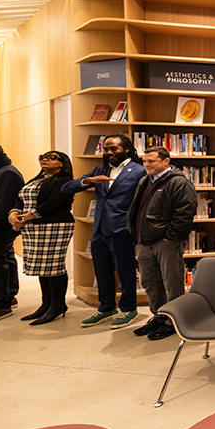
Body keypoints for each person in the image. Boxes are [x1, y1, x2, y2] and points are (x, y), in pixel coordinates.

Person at [62, 135, 146, 329]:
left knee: (124, 271)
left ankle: (129, 308)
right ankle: (106, 307)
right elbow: (66, 188)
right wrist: (88, 180)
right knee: (101, 269)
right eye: (106, 149)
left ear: (126, 149)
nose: (109, 152)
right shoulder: (101, 170)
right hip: (99, 228)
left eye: (114, 148)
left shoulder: (139, 171)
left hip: (122, 229)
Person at [127, 147, 197, 340]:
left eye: (151, 161)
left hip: (166, 243)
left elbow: (185, 212)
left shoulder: (179, 182)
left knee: (172, 282)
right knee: (150, 282)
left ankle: (174, 321)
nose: (147, 165)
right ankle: (159, 316)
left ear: (166, 161)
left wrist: (170, 237)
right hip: (144, 241)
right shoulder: (144, 181)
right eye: (144, 161)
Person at [8, 151, 75, 326]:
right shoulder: (37, 180)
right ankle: (46, 304)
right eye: (43, 157)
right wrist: (13, 215)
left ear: (62, 163)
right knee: (42, 267)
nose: (45, 159)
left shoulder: (64, 180)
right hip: (33, 227)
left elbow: (53, 204)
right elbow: (19, 200)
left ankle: (58, 305)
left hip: (55, 226)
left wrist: (24, 218)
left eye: (52, 157)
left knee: (54, 266)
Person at [0, 143, 25, 323]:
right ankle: (8, 296)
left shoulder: (6, 173)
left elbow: (2, 207)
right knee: (6, 258)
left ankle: (1, 304)